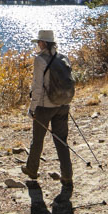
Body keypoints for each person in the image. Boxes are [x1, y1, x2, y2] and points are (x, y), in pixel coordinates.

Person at [23, 28, 73, 188]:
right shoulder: (63, 58)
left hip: (44, 106)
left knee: (37, 140)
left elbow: (37, 87)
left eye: (39, 42)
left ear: (44, 43)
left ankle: (32, 170)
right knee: (61, 141)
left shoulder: (40, 60)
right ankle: (67, 175)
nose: (38, 44)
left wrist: (32, 108)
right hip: (63, 105)